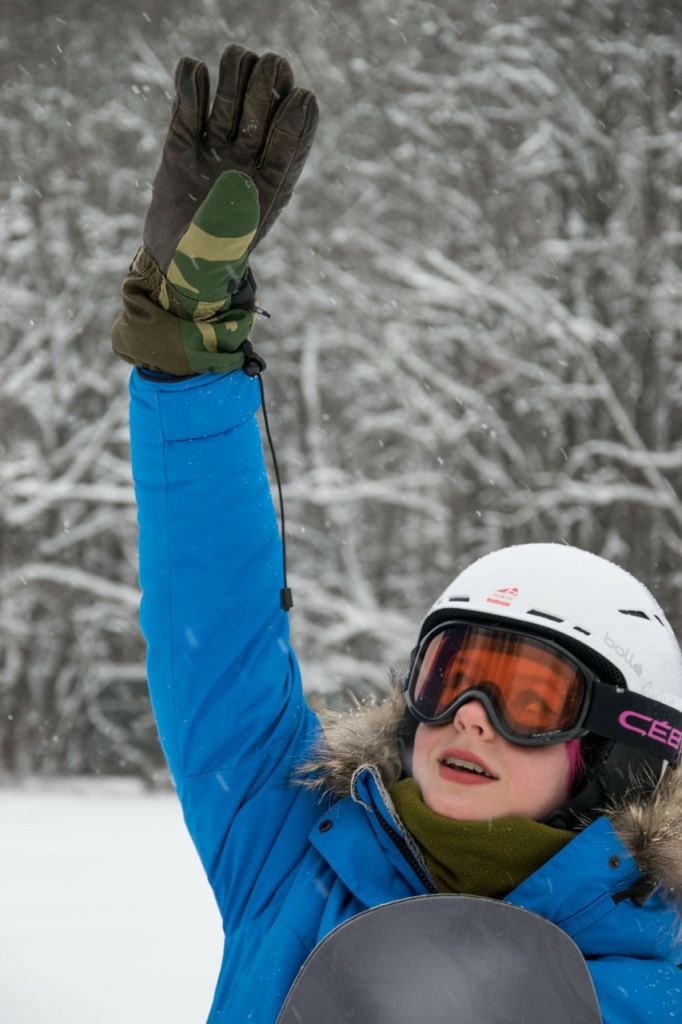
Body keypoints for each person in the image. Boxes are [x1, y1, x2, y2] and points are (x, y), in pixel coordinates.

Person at [112, 44, 682, 1024]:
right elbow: (213, 609)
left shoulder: (652, 977)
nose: (466, 715)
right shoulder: (293, 842)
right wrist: (185, 358)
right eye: (449, 672)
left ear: (617, 754)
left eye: (527, 697)